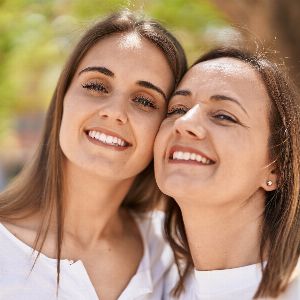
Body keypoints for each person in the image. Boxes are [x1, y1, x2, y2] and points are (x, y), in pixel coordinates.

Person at [0, 10, 187, 300]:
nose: (114, 112)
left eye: (144, 101)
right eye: (97, 86)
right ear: (63, 98)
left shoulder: (172, 255)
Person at [154, 47, 300, 299]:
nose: (184, 122)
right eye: (177, 109)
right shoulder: (151, 280)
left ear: (276, 167)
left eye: (223, 116)